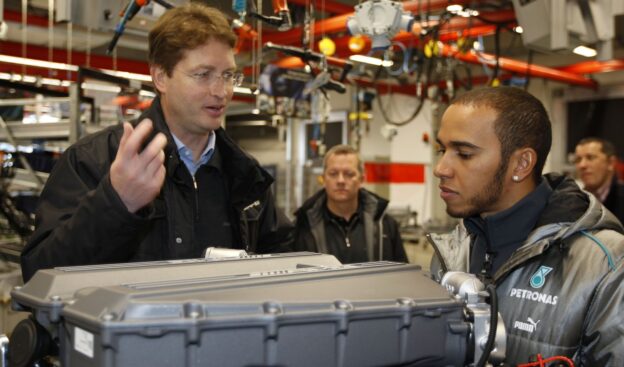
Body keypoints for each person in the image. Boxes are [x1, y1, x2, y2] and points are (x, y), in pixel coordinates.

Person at [20, 4, 293, 282]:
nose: (221, 91)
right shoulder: (93, 160)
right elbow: (40, 276)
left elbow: (288, 264)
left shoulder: (245, 176)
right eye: (203, 75)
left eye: (228, 75)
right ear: (161, 77)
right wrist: (117, 203)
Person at [428, 86, 623, 366]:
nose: (441, 168)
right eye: (442, 149)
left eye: (464, 153)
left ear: (521, 164)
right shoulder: (452, 250)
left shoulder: (606, 265)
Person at [292, 144, 407, 264]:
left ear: (361, 179)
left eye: (349, 174)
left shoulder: (386, 225)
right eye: (333, 173)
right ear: (323, 179)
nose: (340, 180)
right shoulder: (303, 227)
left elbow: (404, 275)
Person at [575, 137, 624, 224]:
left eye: (590, 157)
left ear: (610, 163)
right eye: (578, 159)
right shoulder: (574, 200)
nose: (582, 165)